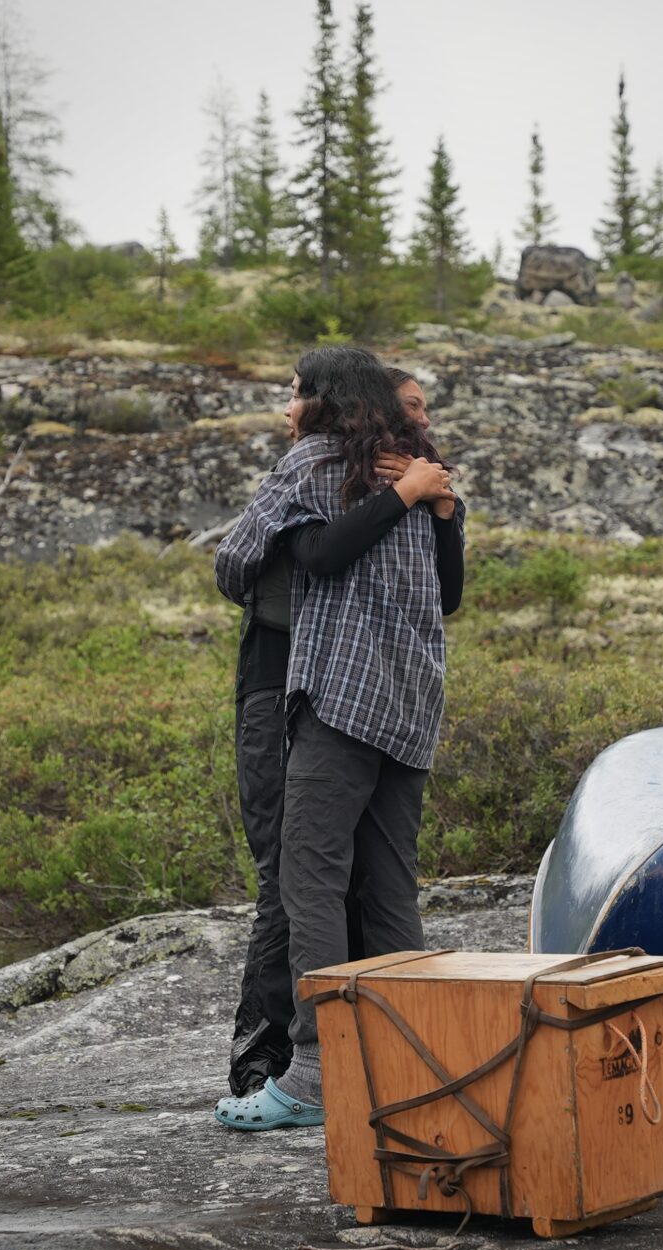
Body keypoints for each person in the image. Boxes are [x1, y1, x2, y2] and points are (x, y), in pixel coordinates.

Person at [213, 347, 464, 1130]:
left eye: (292, 392)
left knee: (304, 878)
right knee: (389, 888)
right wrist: (430, 503)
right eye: (413, 405)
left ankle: (310, 1072)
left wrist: (430, 506)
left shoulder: (328, 463)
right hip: (411, 701)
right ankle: (408, 1065)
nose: (285, 405)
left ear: (325, 398)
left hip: (341, 696)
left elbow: (308, 555)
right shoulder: (412, 470)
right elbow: (444, 594)